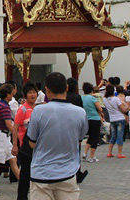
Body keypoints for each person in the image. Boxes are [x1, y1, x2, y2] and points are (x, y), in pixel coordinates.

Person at [26, 72, 88, 200]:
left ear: (47, 90)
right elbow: (79, 140)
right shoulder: (80, 113)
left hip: (42, 173)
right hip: (68, 172)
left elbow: (32, 142)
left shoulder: (38, 111)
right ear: (66, 87)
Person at [13, 82, 38, 200]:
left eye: (34, 92)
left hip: (37, 147)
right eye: (30, 93)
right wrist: (15, 145)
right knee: (25, 174)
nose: (32, 95)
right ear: (25, 95)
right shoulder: (22, 109)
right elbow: (15, 127)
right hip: (26, 147)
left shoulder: (39, 109)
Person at [102, 84, 128, 158]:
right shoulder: (116, 99)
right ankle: (119, 153)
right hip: (120, 118)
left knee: (113, 136)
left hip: (112, 119)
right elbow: (122, 109)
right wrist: (126, 107)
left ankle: (110, 152)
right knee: (120, 136)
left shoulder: (105, 99)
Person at [81, 82, 104, 162]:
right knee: (95, 138)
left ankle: (85, 153)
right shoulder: (93, 98)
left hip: (87, 119)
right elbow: (100, 109)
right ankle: (91, 156)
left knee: (90, 136)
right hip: (95, 118)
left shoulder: (81, 98)